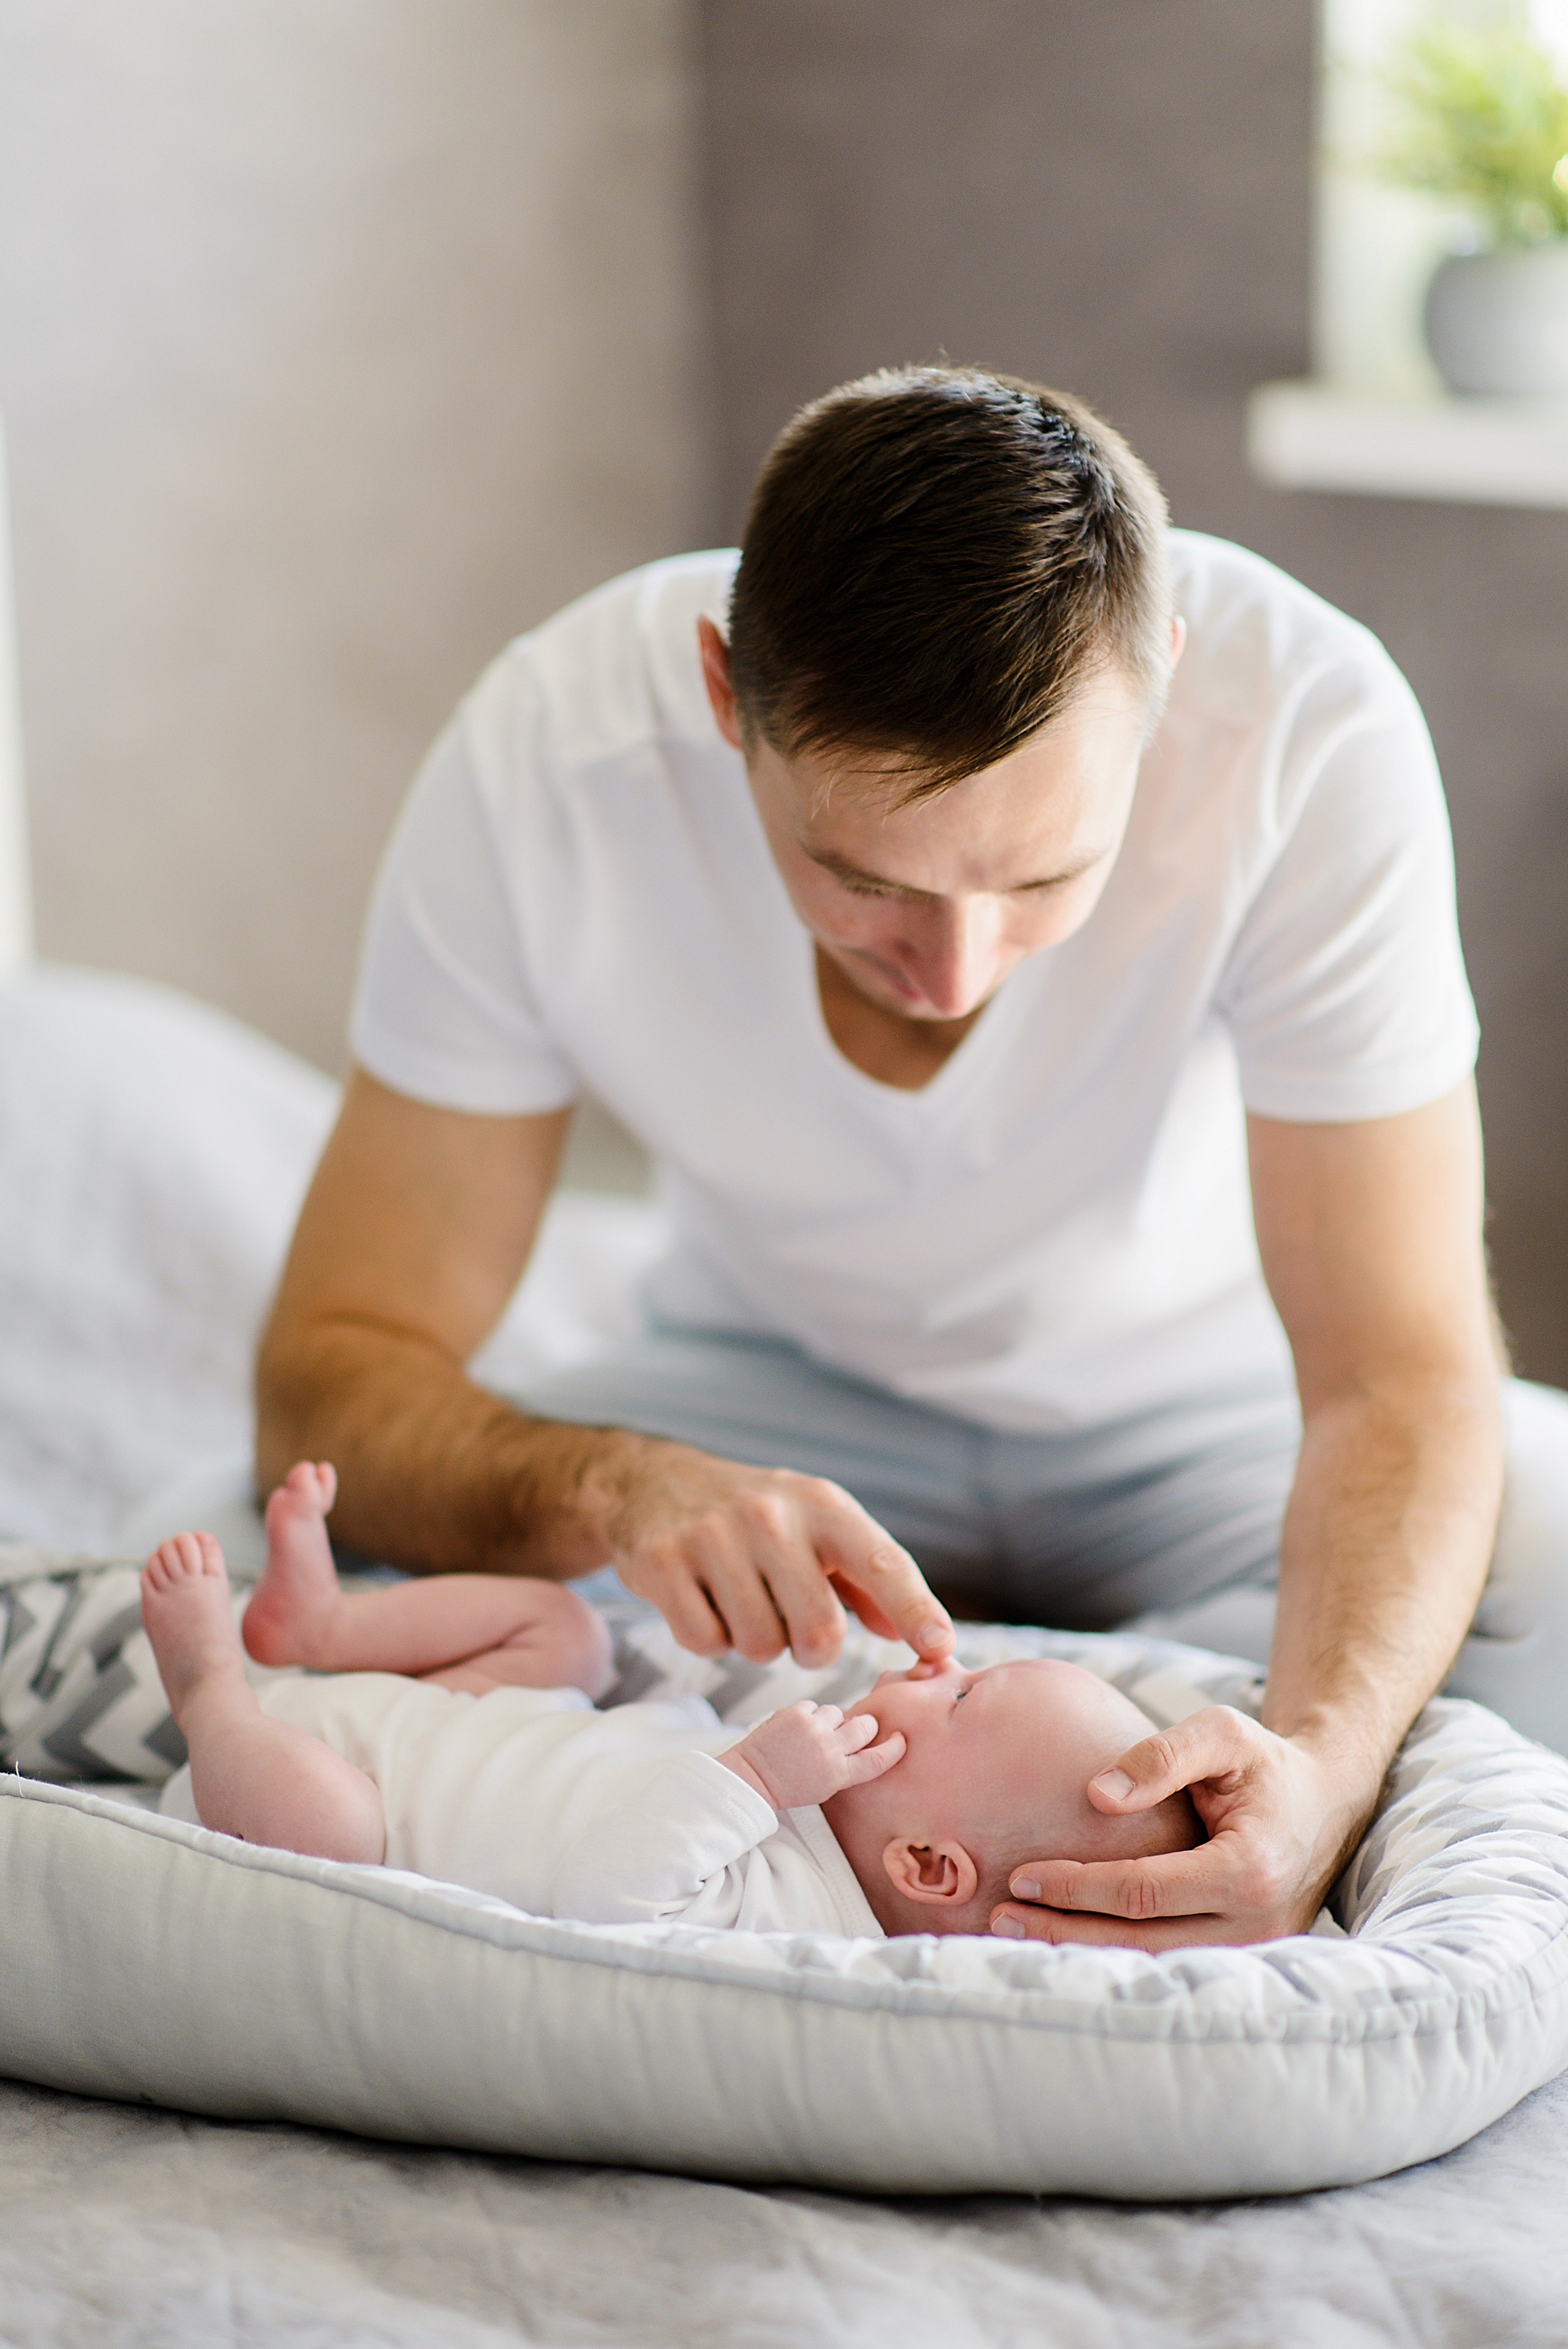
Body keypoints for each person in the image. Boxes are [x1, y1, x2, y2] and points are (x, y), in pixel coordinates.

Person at [255, 361, 1568, 1954]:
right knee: (281, 1575)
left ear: (1162, 677)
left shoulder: (1311, 732)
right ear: (725, 695)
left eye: (1040, 877)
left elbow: (1396, 1376)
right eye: (859, 875)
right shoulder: (547, 757)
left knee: (1519, 1586)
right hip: (760, 1410)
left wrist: (1325, 1762)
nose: (953, 966)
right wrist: (621, 1484)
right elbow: (330, 1374)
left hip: (1222, 1425)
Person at [140, 1462, 1200, 1937]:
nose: (938, 1667)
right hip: (466, 1716)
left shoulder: (806, 1925)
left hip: (362, 1805)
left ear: (926, 1866)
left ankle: (210, 1690)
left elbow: (618, 1898)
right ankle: (324, 1631)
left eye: (961, 1701)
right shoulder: (832, 1802)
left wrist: (751, 1779)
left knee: (323, 1826)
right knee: (570, 1635)